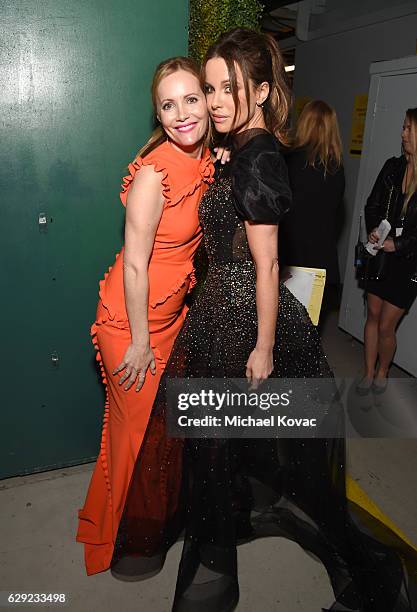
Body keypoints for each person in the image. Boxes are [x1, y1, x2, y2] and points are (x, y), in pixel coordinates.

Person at [112, 31, 417, 612]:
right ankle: (216, 562)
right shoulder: (241, 147)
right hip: (220, 321)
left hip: (251, 326)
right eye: (211, 88)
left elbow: (269, 261)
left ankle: (376, 574)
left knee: (299, 470)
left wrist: (265, 348)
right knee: (216, 453)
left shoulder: (259, 156)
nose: (217, 101)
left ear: (260, 89)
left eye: (230, 88)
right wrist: (226, 159)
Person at [76, 56, 213, 576]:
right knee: (138, 439)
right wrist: (137, 341)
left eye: (191, 99)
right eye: (168, 104)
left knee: (146, 435)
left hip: (168, 319)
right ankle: (124, 543)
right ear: (157, 113)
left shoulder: (202, 159)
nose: (181, 113)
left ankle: (120, 524)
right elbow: (135, 264)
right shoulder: (153, 175)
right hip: (129, 327)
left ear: (205, 101)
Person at [358, 108, 417, 393]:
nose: (402, 133)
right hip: (379, 254)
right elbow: (372, 205)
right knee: (372, 314)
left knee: (386, 326)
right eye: (403, 127)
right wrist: (374, 229)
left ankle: (383, 372)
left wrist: (399, 243)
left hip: (408, 262)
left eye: (408, 128)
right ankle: (368, 373)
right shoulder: (392, 168)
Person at [279, 100, 345, 327]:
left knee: (280, 332)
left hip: (290, 260)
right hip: (321, 264)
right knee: (308, 333)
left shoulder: (289, 161)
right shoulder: (336, 170)